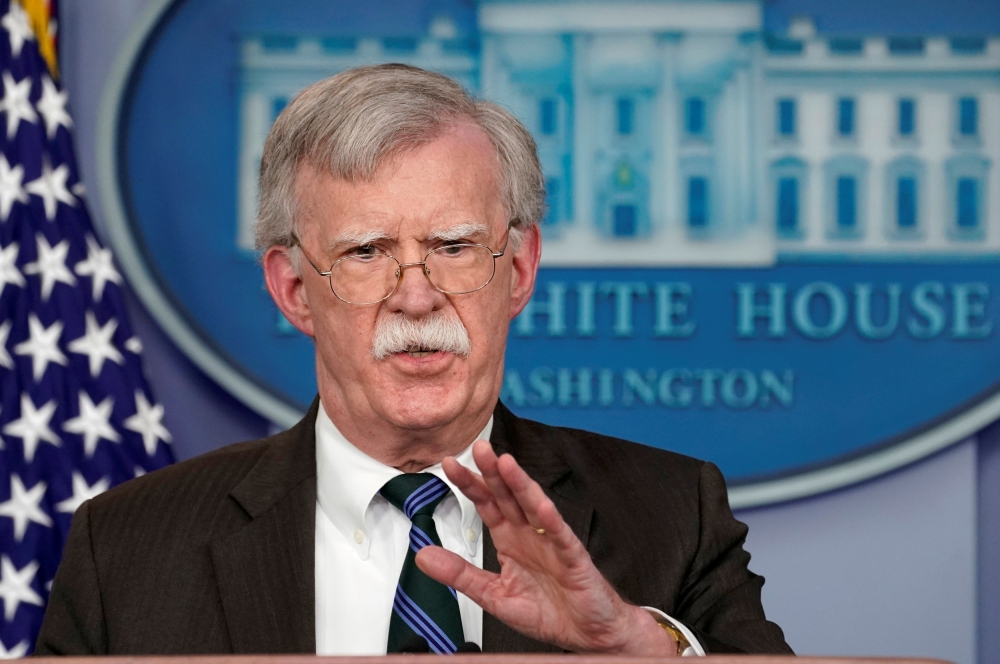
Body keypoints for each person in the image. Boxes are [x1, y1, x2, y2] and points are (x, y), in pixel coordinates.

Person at [36, 64, 791, 657]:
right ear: (295, 290)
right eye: (367, 253)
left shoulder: (670, 514)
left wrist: (646, 652)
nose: (417, 297)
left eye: (454, 248)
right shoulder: (128, 547)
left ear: (519, 271)